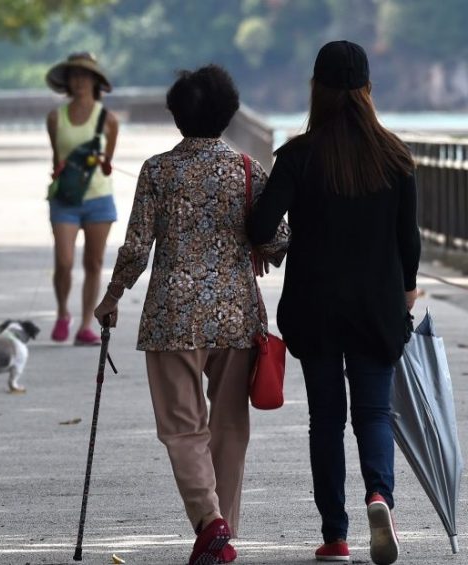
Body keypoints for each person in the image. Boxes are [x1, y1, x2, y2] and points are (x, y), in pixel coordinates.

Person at [93, 65, 289, 565]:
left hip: (171, 317)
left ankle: (211, 525)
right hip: (234, 314)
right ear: (229, 114)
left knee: (182, 429)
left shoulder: (158, 171)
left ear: (177, 115)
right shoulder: (247, 169)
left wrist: (113, 295)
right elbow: (278, 238)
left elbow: (137, 247)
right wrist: (257, 244)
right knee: (228, 426)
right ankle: (223, 531)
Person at [246, 40, 420, 565]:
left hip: (315, 306)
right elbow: (407, 243)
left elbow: (259, 226)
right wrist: (405, 296)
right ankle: (379, 497)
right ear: (367, 88)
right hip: (377, 306)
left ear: (316, 89)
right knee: (373, 412)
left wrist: (278, 241)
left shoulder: (298, 155)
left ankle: (336, 536)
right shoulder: (395, 155)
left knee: (325, 420)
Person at [45, 52, 120, 346]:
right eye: (73, 76)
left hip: (99, 198)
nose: (78, 81)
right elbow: (56, 157)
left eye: (84, 75)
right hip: (65, 198)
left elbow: (107, 161)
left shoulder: (108, 120)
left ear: (95, 80)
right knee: (63, 261)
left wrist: (103, 163)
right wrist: (60, 169)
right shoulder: (55, 118)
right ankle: (63, 311)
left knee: (94, 262)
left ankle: (86, 324)